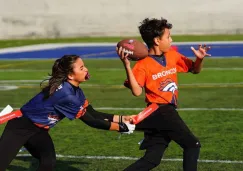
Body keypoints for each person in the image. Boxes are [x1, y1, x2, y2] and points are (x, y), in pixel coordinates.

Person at [0, 55, 135, 171]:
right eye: (81, 68)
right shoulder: (67, 95)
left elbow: (92, 113)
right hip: (20, 127)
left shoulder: (75, 90)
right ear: (70, 75)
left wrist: (122, 119)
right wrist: (121, 128)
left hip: (39, 130)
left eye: (84, 66)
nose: (86, 69)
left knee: (48, 163)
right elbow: (92, 121)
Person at [117, 17, 211, 171]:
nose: (171, 39)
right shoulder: (142, 65)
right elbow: (136, 91)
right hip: (160, 110)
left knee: (152, 159)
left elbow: (194, 69)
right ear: (157, 40)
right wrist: (127, 65)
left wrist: (199, 60)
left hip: (161, 113)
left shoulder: (172, 55)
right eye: (168, 37)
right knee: (192, 145)